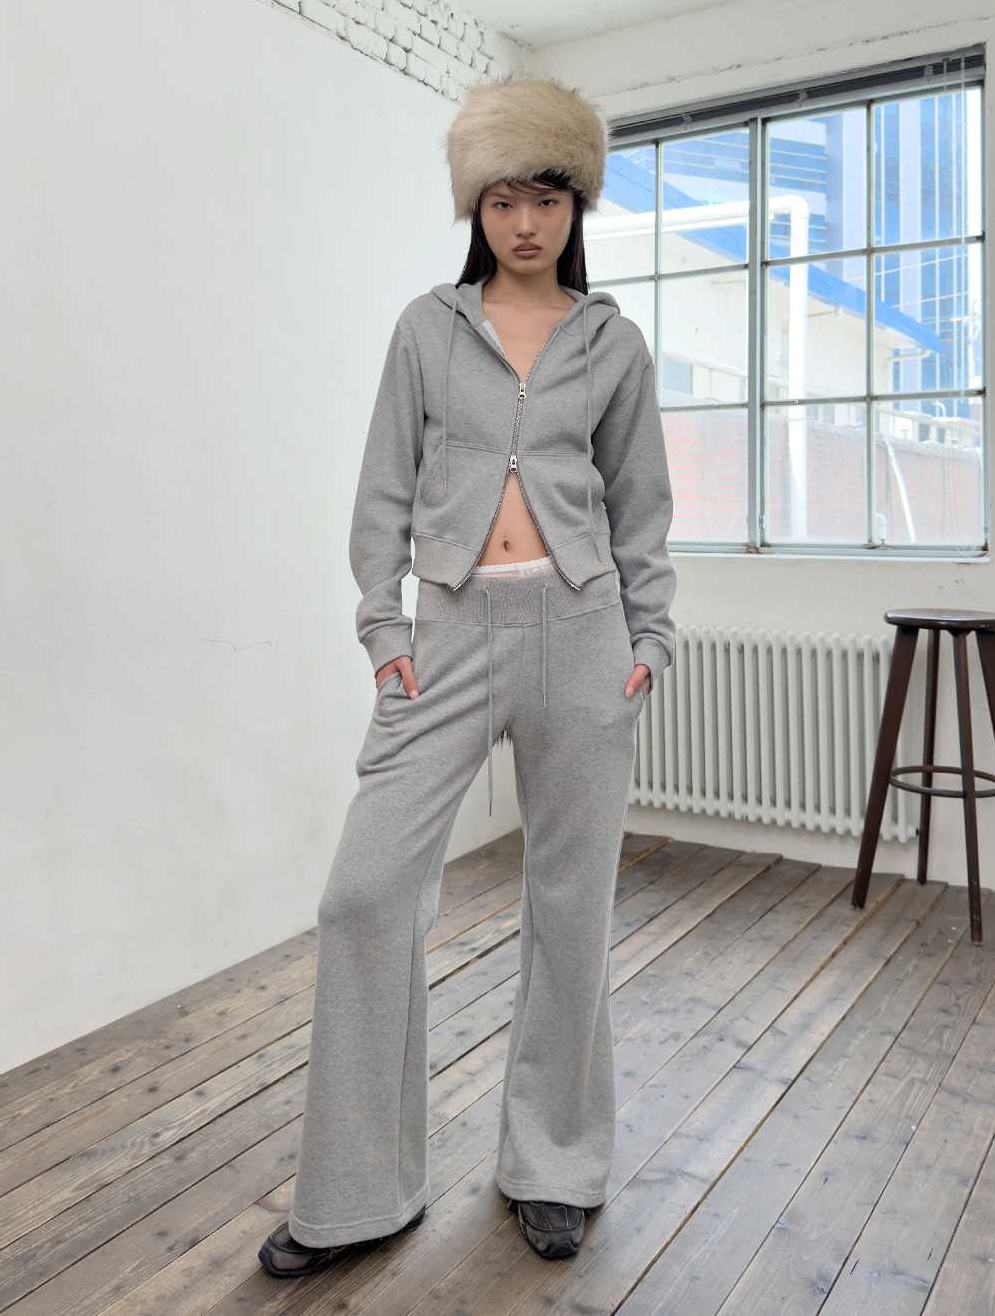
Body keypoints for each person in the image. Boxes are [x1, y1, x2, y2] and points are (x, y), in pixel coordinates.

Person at [258, 76, 677, 1277]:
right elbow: (382, 490)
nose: (525, 222)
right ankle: (358, 1193)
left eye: (546, 197)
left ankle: (554, 1168)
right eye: (501, 200)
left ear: (575, 202)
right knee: (364, 895)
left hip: (584, 636)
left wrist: (649, 641)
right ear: (475, 208)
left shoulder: (613, 344)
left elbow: (641, 506)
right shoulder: (427, 332)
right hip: (446, 634)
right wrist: (382, 628)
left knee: (570, 907)